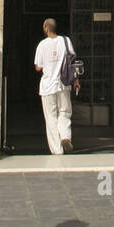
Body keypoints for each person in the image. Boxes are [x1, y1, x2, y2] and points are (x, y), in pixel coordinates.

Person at [34, 18, 79, 154]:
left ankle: (56, 149)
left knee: (51, 117)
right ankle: (65, 136)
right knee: (64, 112)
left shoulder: (42, 45)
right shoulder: (65, 41)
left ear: (46, 28)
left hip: (48, 86)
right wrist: (76, 80)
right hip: (63, 84)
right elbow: (73, 62)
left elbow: (38, 67)